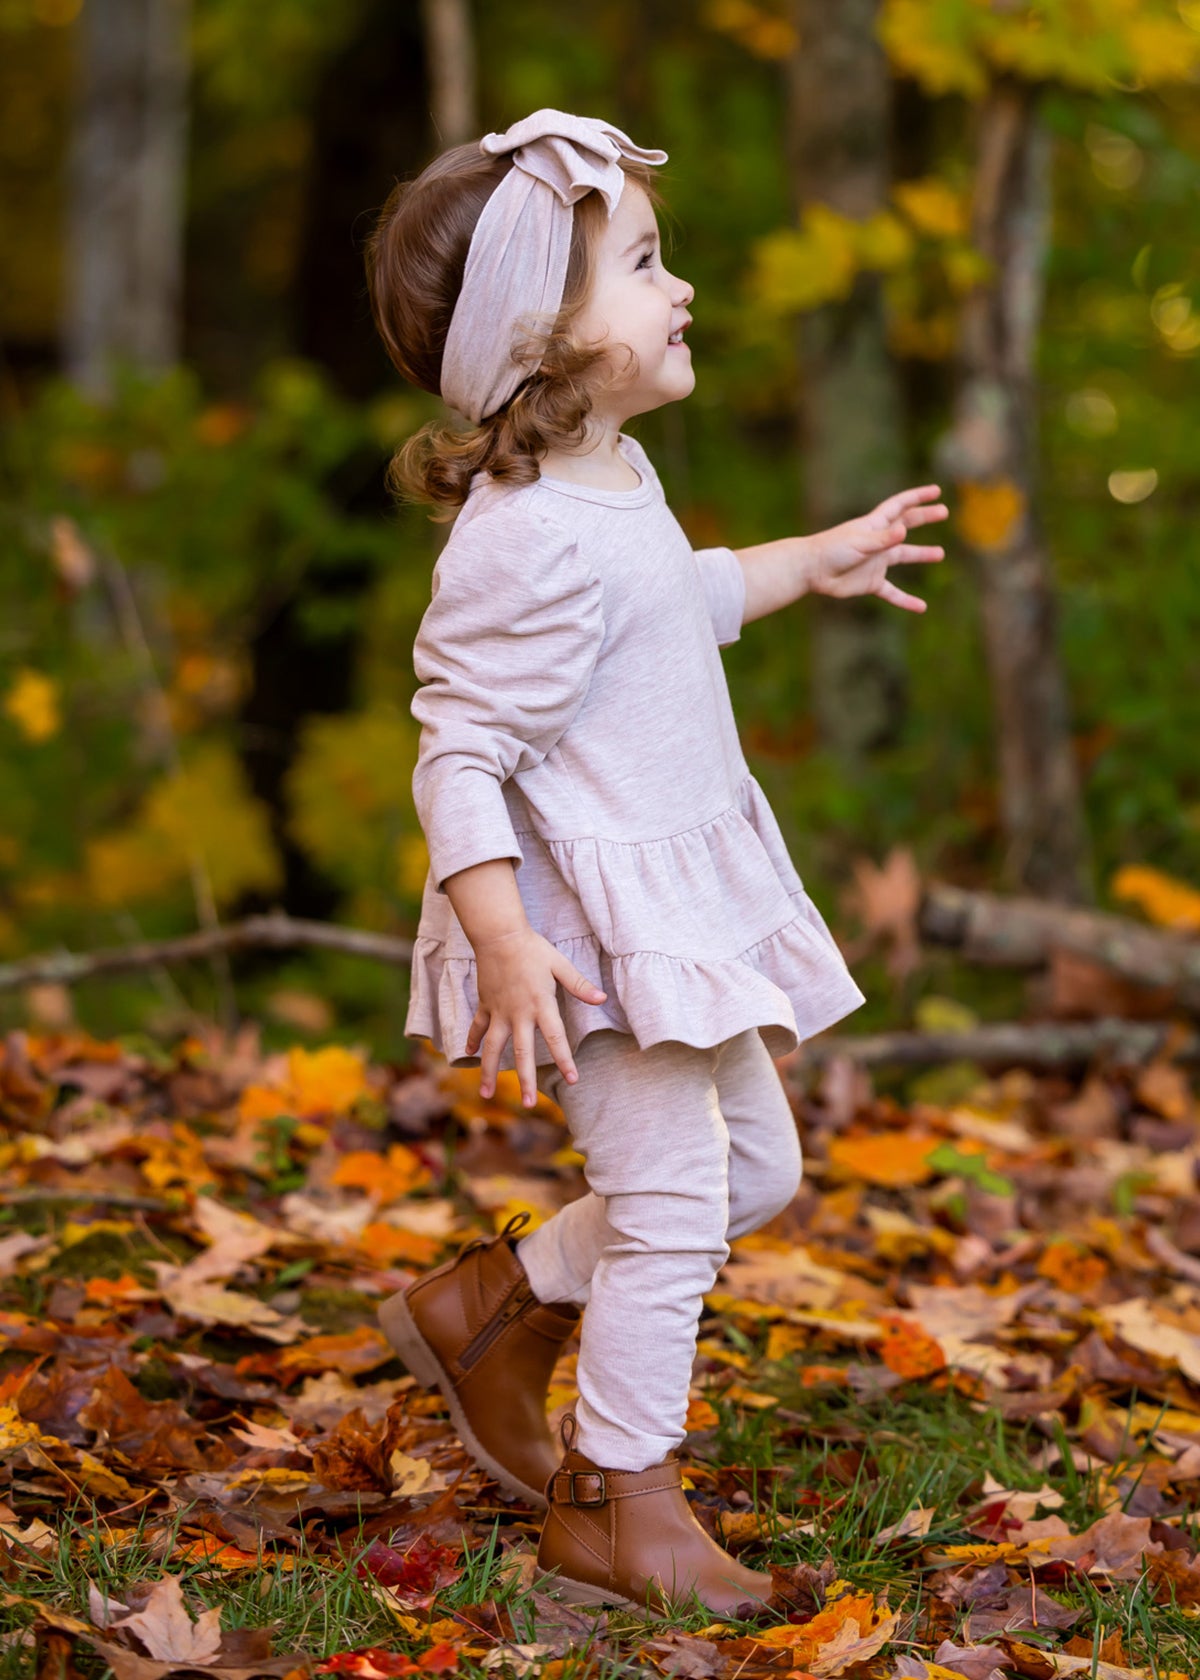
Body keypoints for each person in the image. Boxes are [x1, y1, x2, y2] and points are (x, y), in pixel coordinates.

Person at [364, 109, 947, 1616]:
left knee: (757, 1168)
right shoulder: (517, 536)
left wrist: (809, 561)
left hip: (675, 908)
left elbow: (662, 604)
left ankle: (500, 1298)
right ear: (540, 340)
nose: (679, 286)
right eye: (640, 261)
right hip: (586, 933)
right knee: (678, 1202)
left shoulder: (610, 478)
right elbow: (459, 745)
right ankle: (619, 1502)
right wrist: (499, 936)